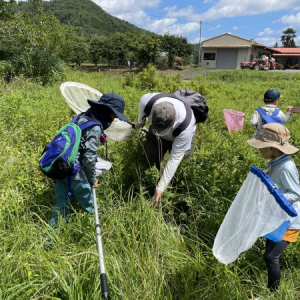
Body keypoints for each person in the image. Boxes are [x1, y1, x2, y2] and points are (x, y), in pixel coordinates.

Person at [49, 93, 128, 229]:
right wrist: (92, 179)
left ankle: (51, 238)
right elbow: (89, 157)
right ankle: (96, 228)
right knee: (89, 202)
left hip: (60, 165)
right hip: (74, 170)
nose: (115, 118)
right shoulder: (95, 127)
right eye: (115, 114)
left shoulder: (82, 117)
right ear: (107, 111)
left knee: (61, 204)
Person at [247, 123, 300, 292]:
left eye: (262, 147)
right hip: (278, 217)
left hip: (290, 220)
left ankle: (273, 293)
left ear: (272, 148)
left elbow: (296, 194)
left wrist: (274, 196)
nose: (259, 150)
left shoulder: (286, 167)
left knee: (271, 256)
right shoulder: (276, 162)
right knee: (268, 251)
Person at [135, 92, 197, 208]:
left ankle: (172, 190)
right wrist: (140, 122)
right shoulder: (147, 101)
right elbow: (141, 120)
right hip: (156, 133)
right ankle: (150, 185)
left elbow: (174, 159)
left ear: (174, 119)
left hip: (178, 136)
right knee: (150, 160)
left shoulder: (186, 126)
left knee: (180, 165)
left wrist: (160, 188)